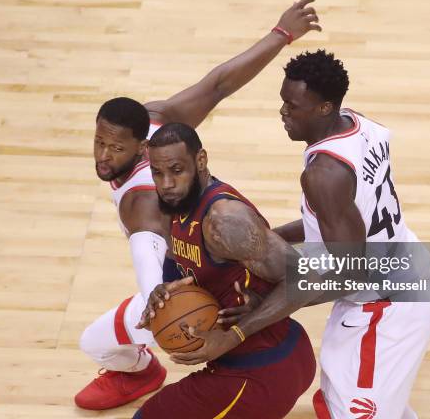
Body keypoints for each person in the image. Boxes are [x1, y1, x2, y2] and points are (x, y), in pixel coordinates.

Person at [74, 0, 322, 410]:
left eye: (116, 148)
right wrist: (281, 35)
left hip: (176, 286)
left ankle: (139, 370)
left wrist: (157, 295)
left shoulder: (142, 203)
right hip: (196, 267)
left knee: (96, 341)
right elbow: (218, 84)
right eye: (100, 142)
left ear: (140, 147)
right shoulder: (155, 120)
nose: (103, 156)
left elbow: (148, 263)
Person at [170, 50, 430, 419]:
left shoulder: (323, 175)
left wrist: (245, 327)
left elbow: (350, 274)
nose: (283, 111)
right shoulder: (358, 125)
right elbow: (340, 215)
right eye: (283, 101)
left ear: (325, 107)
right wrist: (267, 238)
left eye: (293, 106)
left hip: (384, 306)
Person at [135, 123, 316, 419]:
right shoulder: (176, 201)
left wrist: (233, 335)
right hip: (263, 357)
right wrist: (163, 291)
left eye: (177, 170)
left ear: (201, 161)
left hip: (260, 370)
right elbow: (182, 261)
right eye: (157, 173)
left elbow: (304, 277)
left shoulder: (224, 222)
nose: (166, 183)